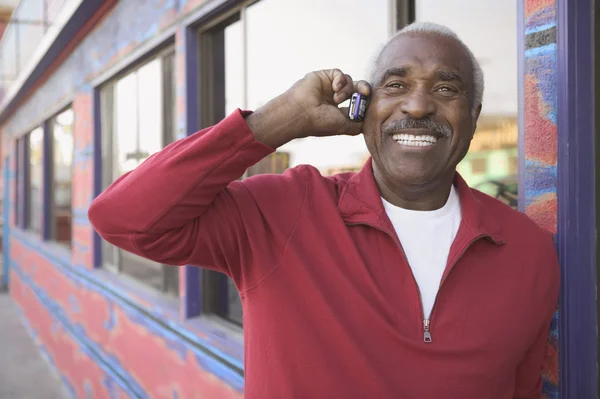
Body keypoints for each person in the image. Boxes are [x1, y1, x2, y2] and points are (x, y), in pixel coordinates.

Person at [88, 21, 559, 399]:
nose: (417, 105)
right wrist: (283, 119)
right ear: (366, 108)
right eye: (396, 85)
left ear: (473, 116)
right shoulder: (283, 211)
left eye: (446, 89)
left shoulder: (527, 251)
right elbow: (123, 217)